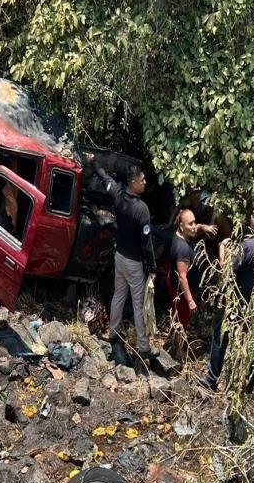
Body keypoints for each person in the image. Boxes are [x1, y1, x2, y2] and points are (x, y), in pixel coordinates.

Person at [86, 154, 158, 367]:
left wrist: (93, 162)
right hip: (135, 263)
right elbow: (147, 243)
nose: (145, 182)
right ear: (133, 183)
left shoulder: (117, 194)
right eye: (142, 179)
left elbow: (105, 178)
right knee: (138, 303)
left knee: (119, 295)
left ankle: (113, 332)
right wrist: (152, 267)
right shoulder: (141, 209)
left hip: (120, 257)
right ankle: (144, 347)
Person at [199, 201, 254, 391]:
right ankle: (253, 382)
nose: (250, 218)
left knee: (221, 335)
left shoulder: (248, 246)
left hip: (240, 301)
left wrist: (223, 248)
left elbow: (226, 272)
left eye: (252, 216)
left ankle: (212, 379)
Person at [169, 209, 200, 329]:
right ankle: (179, 346)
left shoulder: (178, 235)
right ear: (181, 226)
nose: (194, 227)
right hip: (181, 293)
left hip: (176, 288)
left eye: (194, 223)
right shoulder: (182, 249)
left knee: (179, 318)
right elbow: (182, 277)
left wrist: (204, 227)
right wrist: (190, 301)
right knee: (181, 321)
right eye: (190, 224)